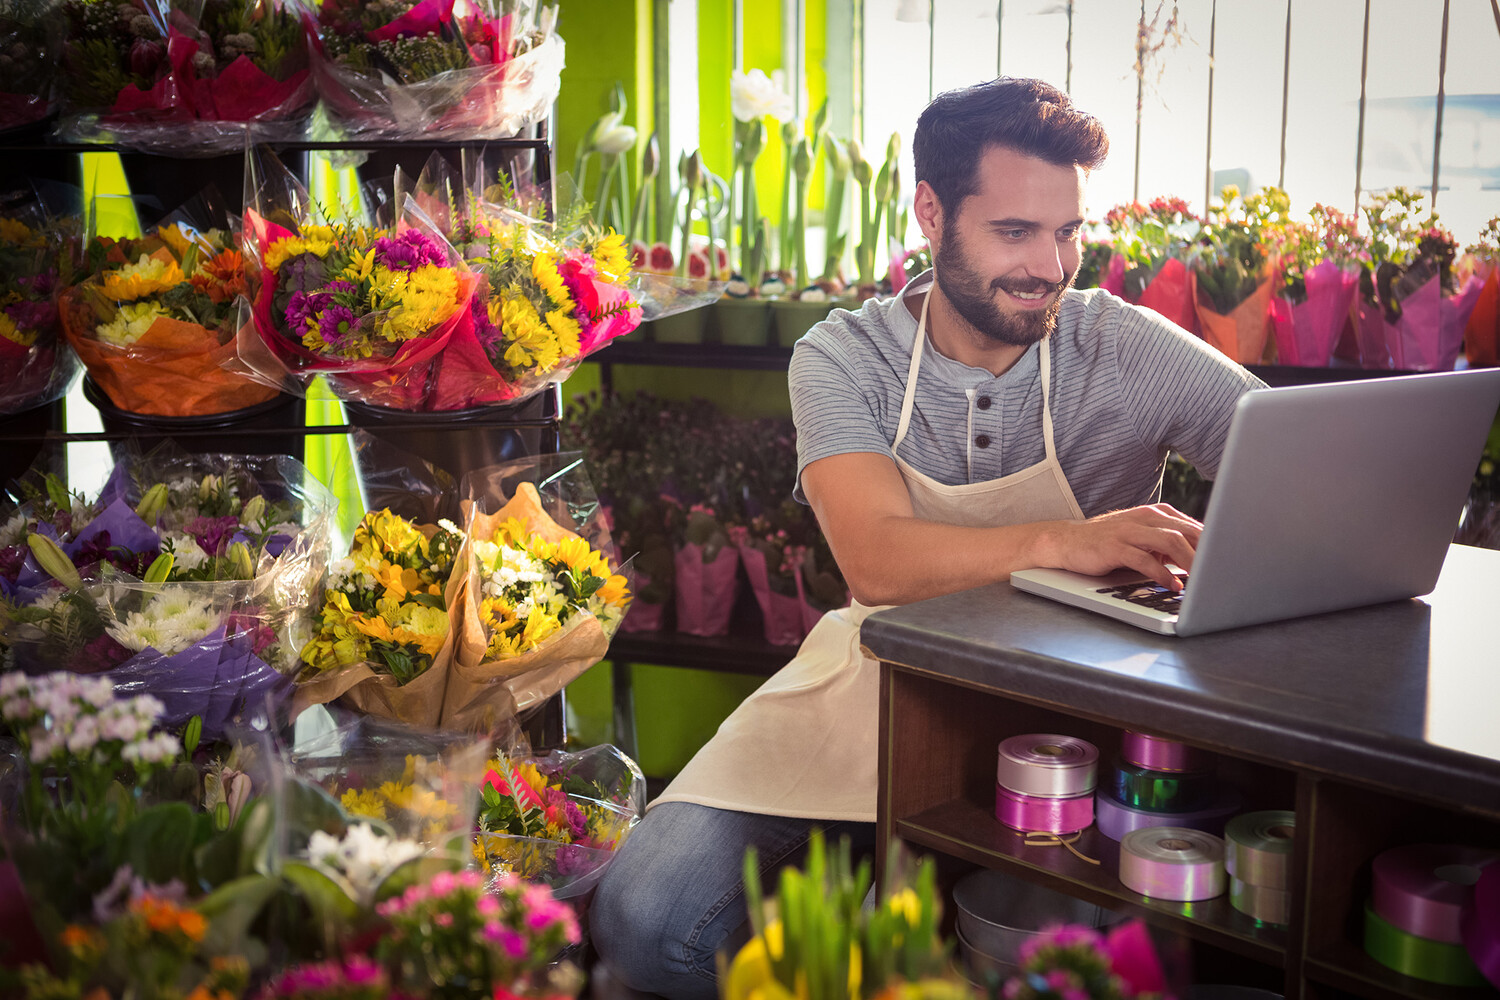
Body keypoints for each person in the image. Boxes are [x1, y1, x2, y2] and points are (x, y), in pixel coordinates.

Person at [589, 77, 1264, 1000]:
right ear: (931, 212)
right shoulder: (843, 357)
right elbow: (879, 559)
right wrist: (1070, 540)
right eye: (1014, 233)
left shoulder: (1125, 347)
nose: (1051, 265)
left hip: (1081, 705)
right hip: (879, 687)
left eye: (1068, 231)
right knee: (647, 922)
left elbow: (1289, 463)